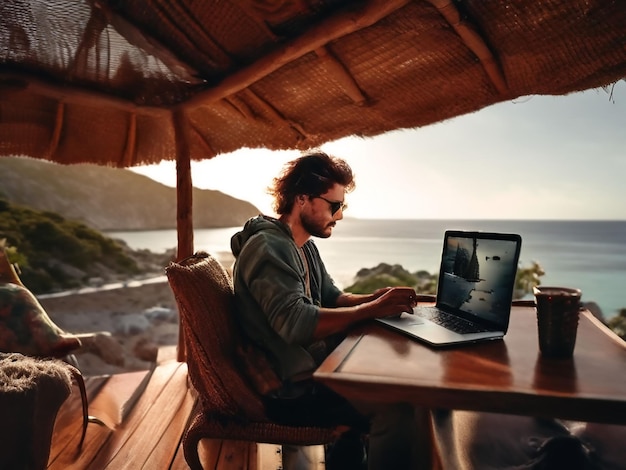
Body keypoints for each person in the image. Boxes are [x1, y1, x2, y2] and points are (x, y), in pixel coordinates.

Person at [230, 151, 431, 469]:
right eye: (334, 206)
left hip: (317, 369)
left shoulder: (302, 245)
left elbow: (333, 297)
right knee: (399, 411)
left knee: (408, 383)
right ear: (302, 199)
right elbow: (295, 324)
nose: (338, 216)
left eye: (342, 207)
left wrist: (373, 300)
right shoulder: (269, 248)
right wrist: (371, 310)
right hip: (291, 391)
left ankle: (349, 455)